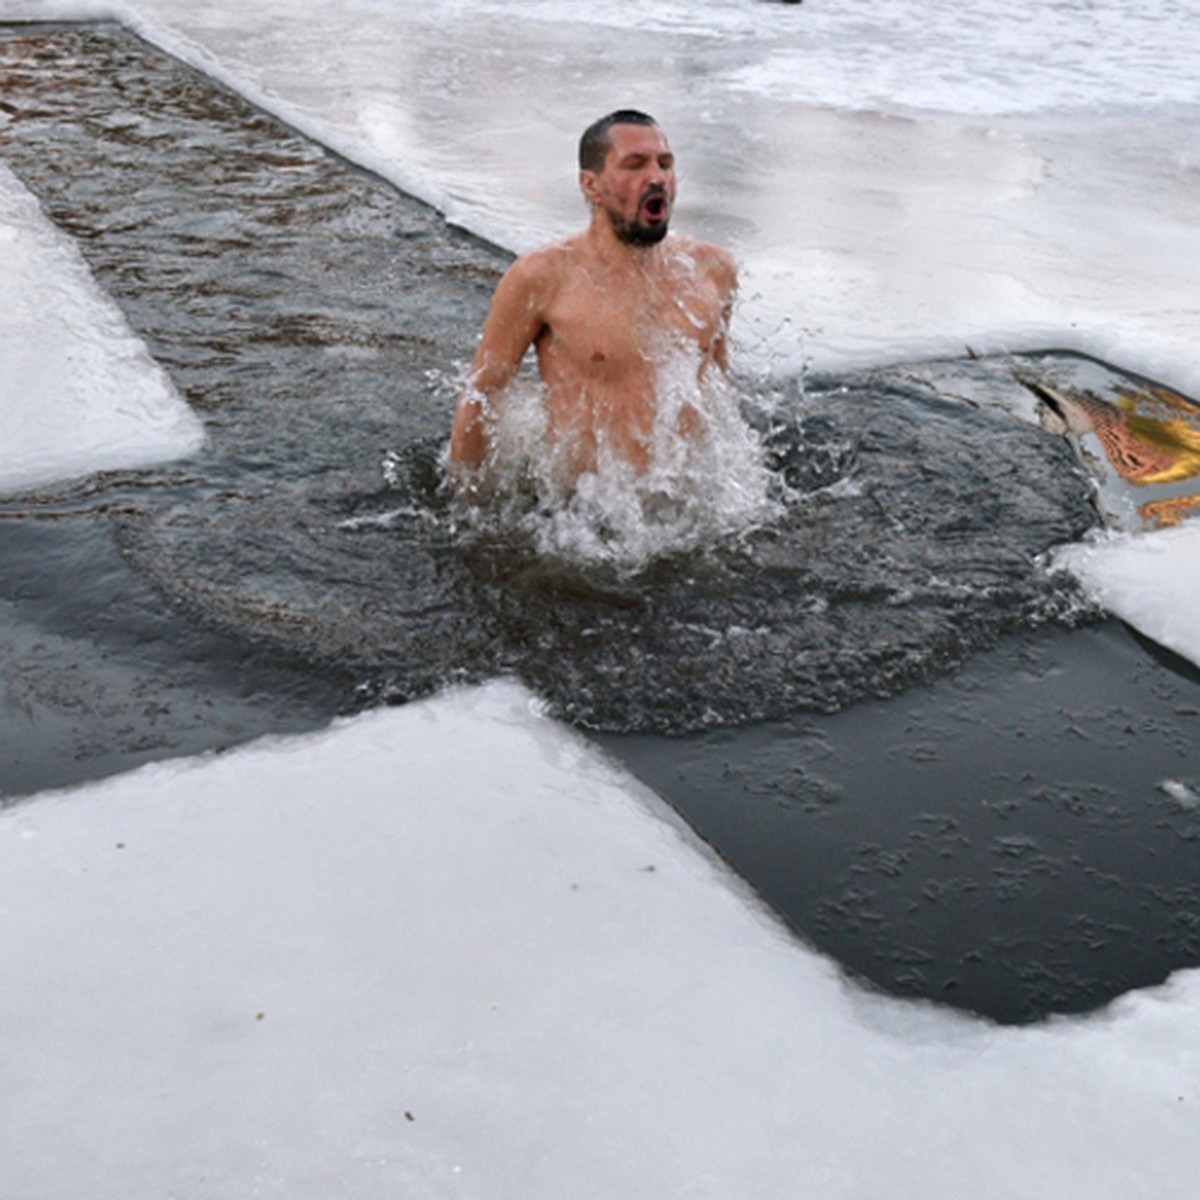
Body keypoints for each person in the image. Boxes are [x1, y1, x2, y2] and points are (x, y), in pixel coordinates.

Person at [449, 110, 738, 487]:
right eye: (634, 165)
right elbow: (482, 397)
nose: (656, 178)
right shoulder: (542, 276)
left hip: (680, 503)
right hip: (581, 511)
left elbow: (718, 394)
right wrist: (469, 508)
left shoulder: (712, 270)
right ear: (591, 186)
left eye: (665, 164)